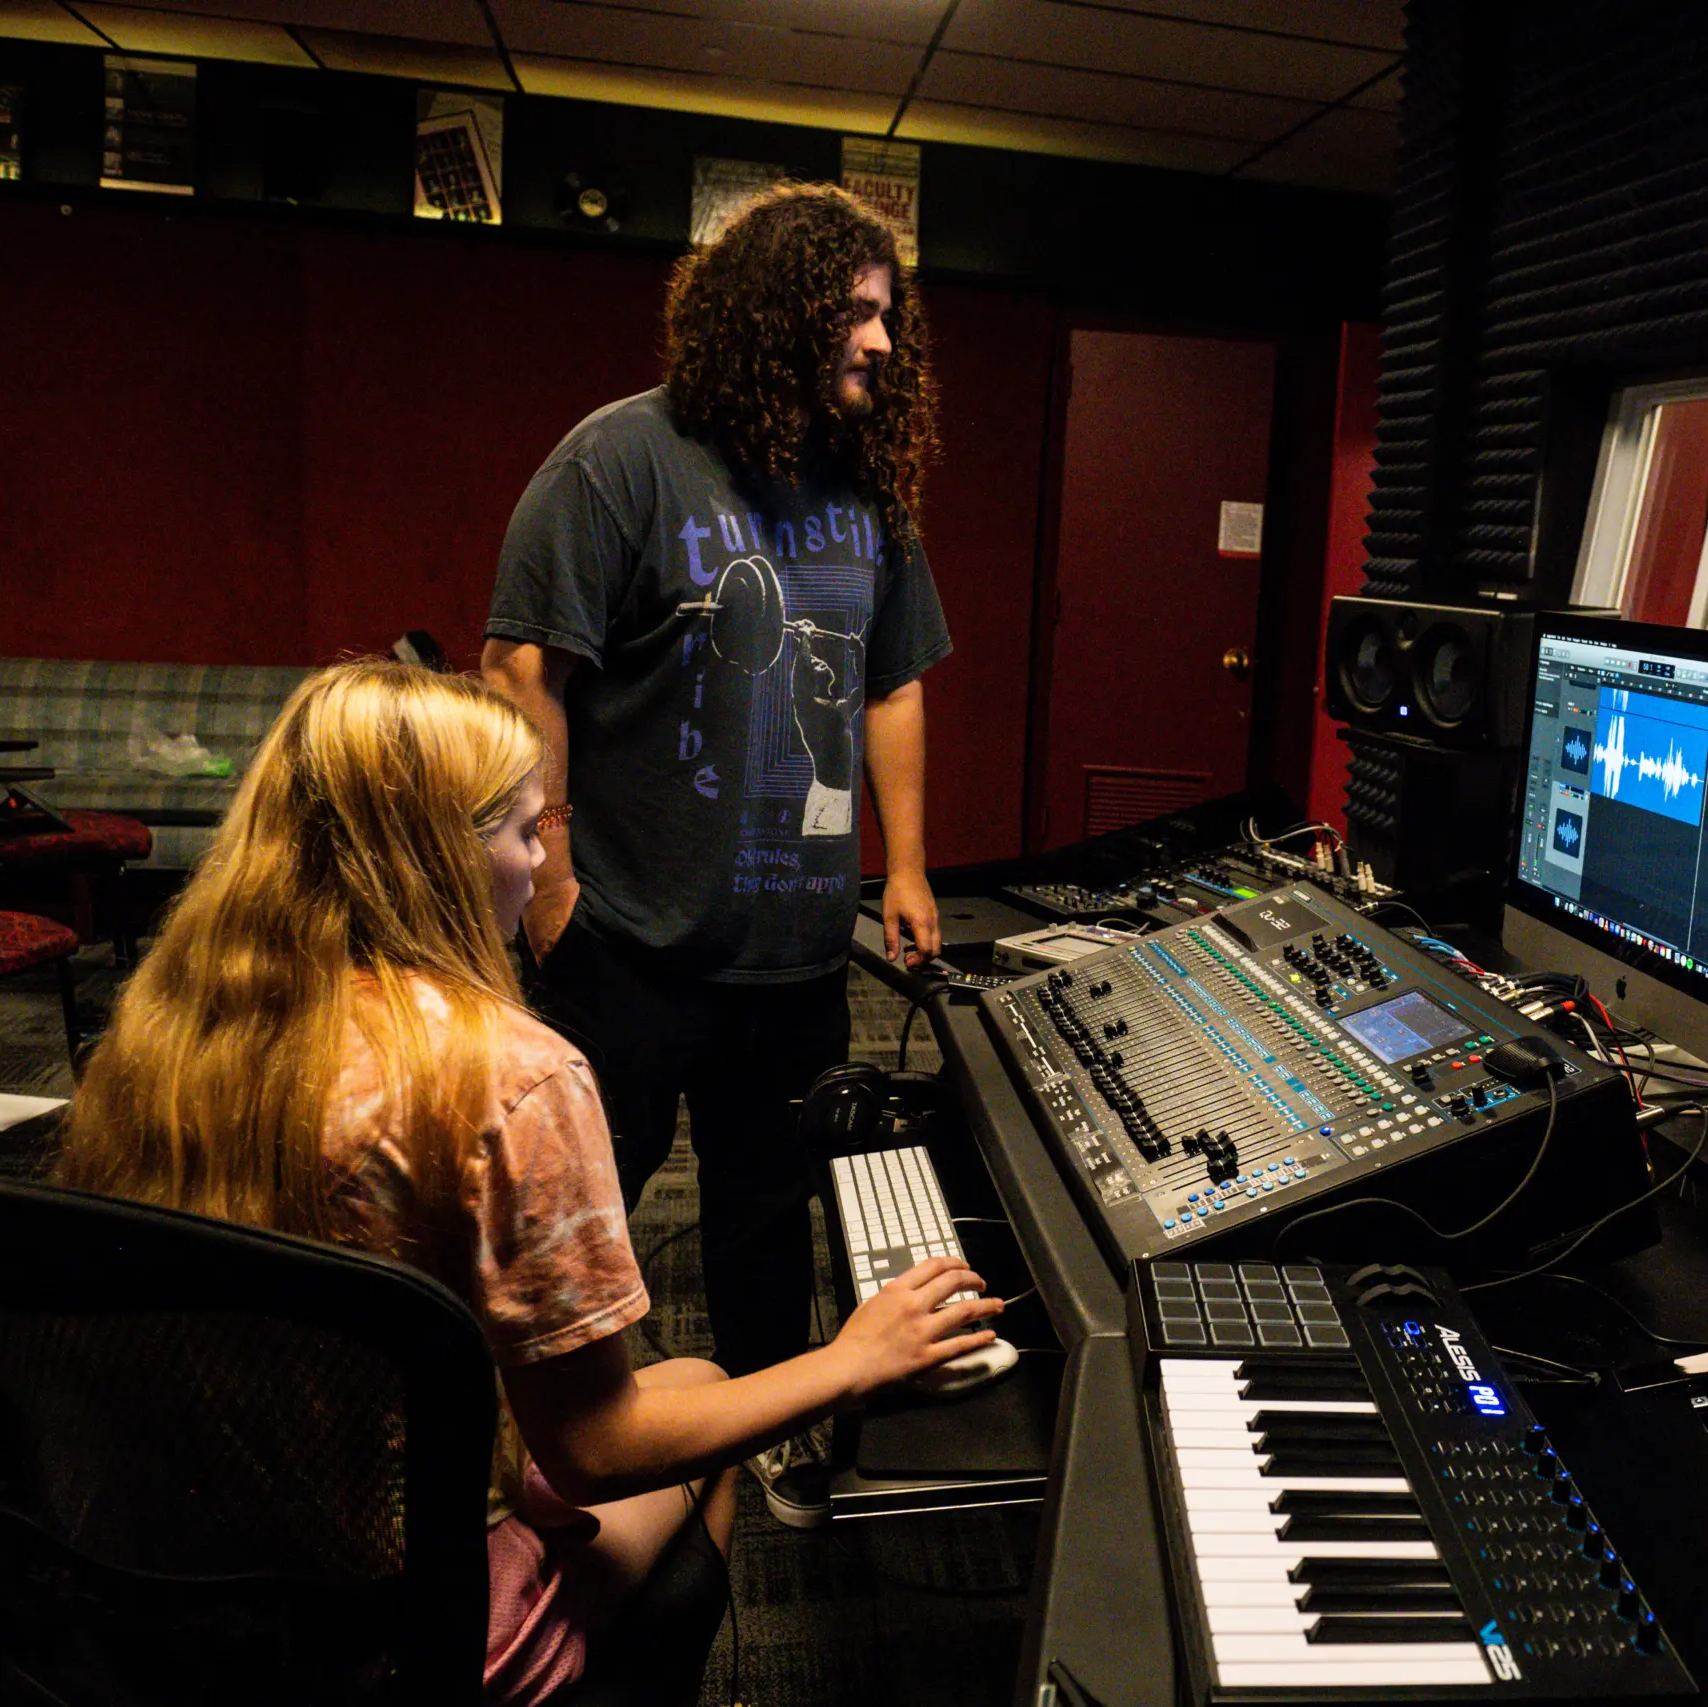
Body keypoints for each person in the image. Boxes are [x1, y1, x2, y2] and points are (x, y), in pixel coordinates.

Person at [58, 662, 1002, 1706]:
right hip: (385, 1633)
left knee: (653, 1393)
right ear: (437, 860)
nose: (541, 858)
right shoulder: (508, 1075)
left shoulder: (162, 1025)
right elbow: (600, 1452)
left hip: (148, 1587)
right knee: (699, 1405)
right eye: (520, 830)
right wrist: (851, 1360)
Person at [480, 185, 950, 1526]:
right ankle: (559, 1457)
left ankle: (762, 1438)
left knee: (764, 1222)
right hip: (626, 944)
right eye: (854, 312)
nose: (878, 339)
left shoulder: (868, 494)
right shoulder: (616, 460)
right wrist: (556, 883)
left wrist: (903, 866)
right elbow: (528, 667)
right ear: (774, 314)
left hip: (794, 956)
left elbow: (894, 685)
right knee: (580, 1235)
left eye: (887, 316)